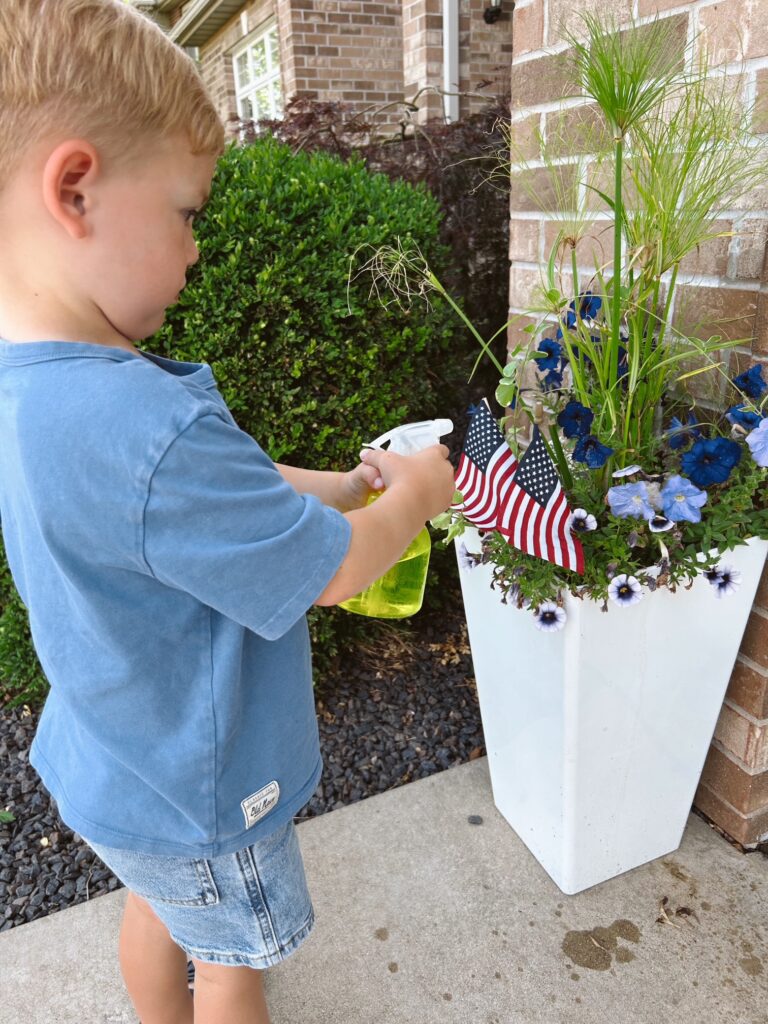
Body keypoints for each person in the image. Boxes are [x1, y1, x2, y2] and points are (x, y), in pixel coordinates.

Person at [0, 3, 455, 1022]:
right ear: (75, 190)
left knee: (162, 910)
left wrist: (344, 487)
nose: (197, 251)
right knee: (234, 962)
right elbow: (337, 572)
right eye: (186, 213)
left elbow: (221, 493)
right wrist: (421, 493)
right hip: (205, 794)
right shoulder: (141, 422)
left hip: (122, 769)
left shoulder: (32, 388)